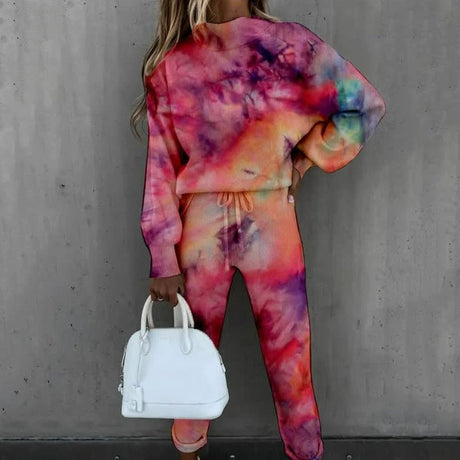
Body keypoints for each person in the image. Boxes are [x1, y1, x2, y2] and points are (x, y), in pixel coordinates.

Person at [130, 0, 386, 459]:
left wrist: (304, 160)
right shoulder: (173, 64)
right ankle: (188, 450)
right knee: (193, 348)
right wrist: (162, 255)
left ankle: (304, 452)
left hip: (267, 219)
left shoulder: (293, 45)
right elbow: (160, 167)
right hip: (205, 226)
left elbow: (363, 105)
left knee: (290, 354)